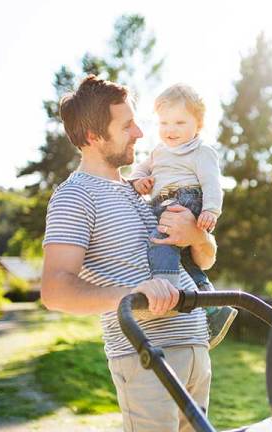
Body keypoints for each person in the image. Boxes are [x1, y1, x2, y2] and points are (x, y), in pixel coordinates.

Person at [41, 75, 215, 432]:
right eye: (126, 126)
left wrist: (196, 236)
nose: (139, 132)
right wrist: (134, 295)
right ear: (92, 137)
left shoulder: (144, 190)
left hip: (196, 348)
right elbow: (55, 290)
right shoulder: (75, 197)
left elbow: (206, 258)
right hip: (146, 356)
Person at [128, 83, 237, 350]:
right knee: (184, 258)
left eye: (179, 122)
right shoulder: (158, 151)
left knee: (160, 241)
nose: (170, 130)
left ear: (197, 125)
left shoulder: (201, 151)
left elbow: (212, 184)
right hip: (160, 203)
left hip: (184, 201)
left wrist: (211, 210)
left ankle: (167, 291)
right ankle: (214, 308)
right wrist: (139, 181)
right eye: (164, 123)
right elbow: (139, 172)